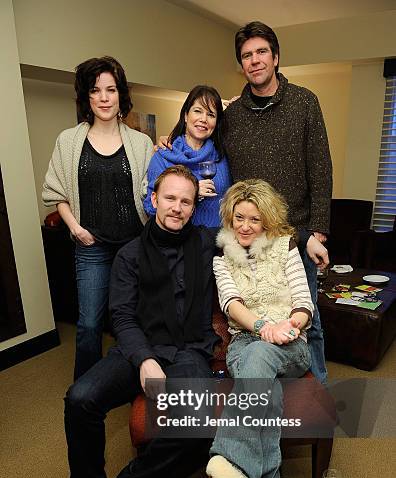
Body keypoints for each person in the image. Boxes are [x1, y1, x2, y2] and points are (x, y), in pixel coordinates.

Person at [45, 165, 218, 478]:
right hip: (137, 347)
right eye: (170, 198)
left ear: (194, 208)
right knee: (80, 398)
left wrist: (309, 238)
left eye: (186, 201)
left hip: (189, 350)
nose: (177, 207)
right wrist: (144, 360)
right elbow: (121, 316)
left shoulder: (209, 243)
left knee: (197, 425)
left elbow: (255, 233)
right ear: (154, 199)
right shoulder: (130, 254)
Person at [161, 179, 313, 478]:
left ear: (268, 221)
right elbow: (231, 304)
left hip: (293, 343)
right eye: (238, 218)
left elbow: (304, 303)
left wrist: (288, 326)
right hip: (247, 342)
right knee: (257, 364)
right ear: (230, 219)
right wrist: (264, 327)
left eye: (254, 219)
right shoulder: (221, 258)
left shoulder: (287, 250)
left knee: (261, 359)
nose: (245, 226)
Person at [223, 21, 331, 384]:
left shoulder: (304, 102)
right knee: (257, 321)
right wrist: (168, 143)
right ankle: (268, 393)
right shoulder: (231, 115)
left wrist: (317, 231)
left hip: (295, 236)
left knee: (307, 322)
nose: (254, 61)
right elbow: (199, 141)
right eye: (247, 56)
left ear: (276, 57)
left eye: (261, 52)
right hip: (248, 239)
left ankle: (318, 404)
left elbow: (321, 168)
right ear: (242, 64)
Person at [42, 56, 153, 380]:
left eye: (111, 89)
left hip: (134, 248)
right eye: (95, 90)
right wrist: (75, 228)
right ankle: (86, 394)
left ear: (121, 95)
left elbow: (153, 193)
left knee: (133, 321)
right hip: (91, 247)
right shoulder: (69, 141)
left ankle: (134, 384)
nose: (104, 97)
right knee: (90, 324)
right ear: (86, 97)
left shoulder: (141, 143)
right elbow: (55, 191)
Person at [144, 85, 231, 228]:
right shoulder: (163, 157)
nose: (204, 119)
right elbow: (150, 207)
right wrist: (191, 193)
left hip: (216, 243)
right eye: (198, 111)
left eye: (211, 115)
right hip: (178, 243)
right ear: (185, 115)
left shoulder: (221, 157)